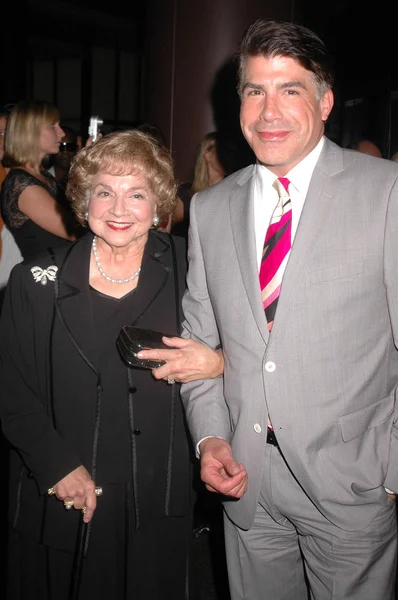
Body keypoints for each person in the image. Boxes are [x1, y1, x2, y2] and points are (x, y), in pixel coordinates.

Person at [178, 18, 398, 600]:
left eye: (290, 89)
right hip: (246, 486)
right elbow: (197, 341)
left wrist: (392, 476)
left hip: (352, 486)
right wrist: (210, 440)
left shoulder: (387, 192)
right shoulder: (208, 208)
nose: (269, 110)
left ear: (325, 102)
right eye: (255, 90)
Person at [0, 129, 224, 599]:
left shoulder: (193, 269)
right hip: (63, 496)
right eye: (105, 192)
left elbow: (251, 349)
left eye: (136, 194)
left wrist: (220, 362)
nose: (119, 209)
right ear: (84, 201)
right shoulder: (35, 282)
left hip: (158, 495)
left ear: (159, 203)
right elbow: (11, 390)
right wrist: (56, 465)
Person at [0, 99, 83, 261]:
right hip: (46, 280)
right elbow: (74, 232)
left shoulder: (42, 176)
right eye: (53, 126)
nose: (61, 133)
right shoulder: (21, 183)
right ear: (30, 132)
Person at [172, 132, 225, 238]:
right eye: (222, 151)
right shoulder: (186, 193)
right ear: (208, 155)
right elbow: (168, 230)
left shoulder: (235, 191)